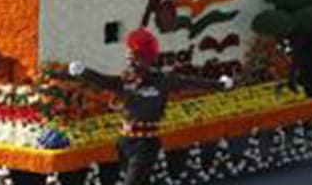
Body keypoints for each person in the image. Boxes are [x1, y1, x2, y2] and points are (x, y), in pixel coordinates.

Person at [65, 28, 233, 185]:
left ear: (146, 59)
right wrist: (84, 72)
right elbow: (104, 81)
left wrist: (219, 84)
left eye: (136, 58)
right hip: (125, 141)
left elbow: (191, 82)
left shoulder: (162, 81)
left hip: (146, 143)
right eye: (130, 59)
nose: (131, 63)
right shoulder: (125, 80)